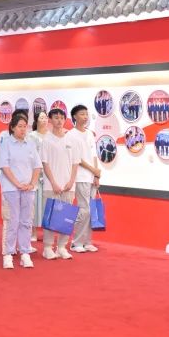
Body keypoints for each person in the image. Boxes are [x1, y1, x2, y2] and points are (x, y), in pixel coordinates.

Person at [0, 110, 40, 269]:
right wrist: (17, 183)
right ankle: (8, 253)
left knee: (26, 221)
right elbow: (5, 166)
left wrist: (32, 183)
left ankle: (25, 252)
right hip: (11, 188)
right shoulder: (6, 143)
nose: (23, 129)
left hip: (28, 188)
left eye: (25, 126)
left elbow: (37, 166)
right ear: (13, 127)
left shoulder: (31, 144)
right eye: (20, 126)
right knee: (12, 221)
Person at [40, 108, 75, 261]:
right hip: (51, 186)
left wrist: (71, 181)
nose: (59, 120)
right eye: (56, 117)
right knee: (50, 217)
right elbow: (45, 163)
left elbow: (75, 163)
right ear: (50, 120)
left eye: (62, 117)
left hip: (68, 186)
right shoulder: (46, 140)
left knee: (66, 217)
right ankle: (47, 248)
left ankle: (62, 247)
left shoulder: (70, 139)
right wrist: (53, 182)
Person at [67, 104, 101, 253]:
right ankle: (76, 242)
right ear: (74, 117)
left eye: (86, 114)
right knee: (84, 210)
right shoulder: (71, 135)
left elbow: (94, 155)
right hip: (80, 176)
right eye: (82, 114)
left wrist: (96, 174)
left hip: (91, 177)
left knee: (91, 210)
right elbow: (77, 158)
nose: (85, 117)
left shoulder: (90, 134)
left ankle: (87, 242)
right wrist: (92, 170)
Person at [28, 110, 49, 243]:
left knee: (47, 203)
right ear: (36, 120)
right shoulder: (31, 136)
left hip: (48, 174)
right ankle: (33, 232)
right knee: (34, 204)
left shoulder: (50, 136)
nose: (44, 120)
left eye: (46, 117)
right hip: (35, 174)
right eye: (41, 117)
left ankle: (47, 232)